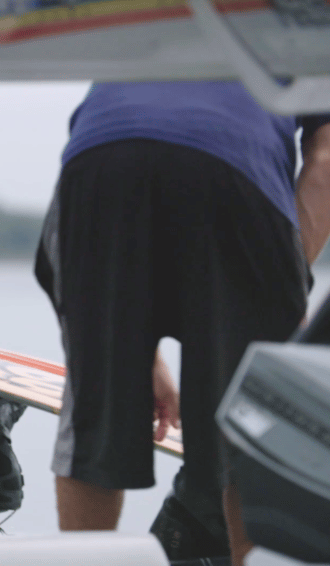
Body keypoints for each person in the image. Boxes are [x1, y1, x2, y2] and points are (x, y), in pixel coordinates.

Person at [33, 80, 330, 566]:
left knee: (95, 418)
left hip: (99, 163)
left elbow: (149, 144)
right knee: (251, 427)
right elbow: (325, 161)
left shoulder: (162, 15)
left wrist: (137, 358)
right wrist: (283, 279)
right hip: (234, 171)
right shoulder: (303, 30)